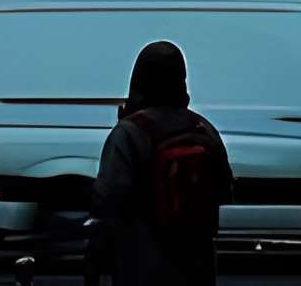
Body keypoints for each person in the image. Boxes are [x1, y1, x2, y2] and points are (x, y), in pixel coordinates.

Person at [90, 41, 233, 286]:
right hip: (198, 266)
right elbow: (225, 191)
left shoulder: (129, 132)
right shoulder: (204, 130)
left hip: (142, 264)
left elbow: (108, 198)